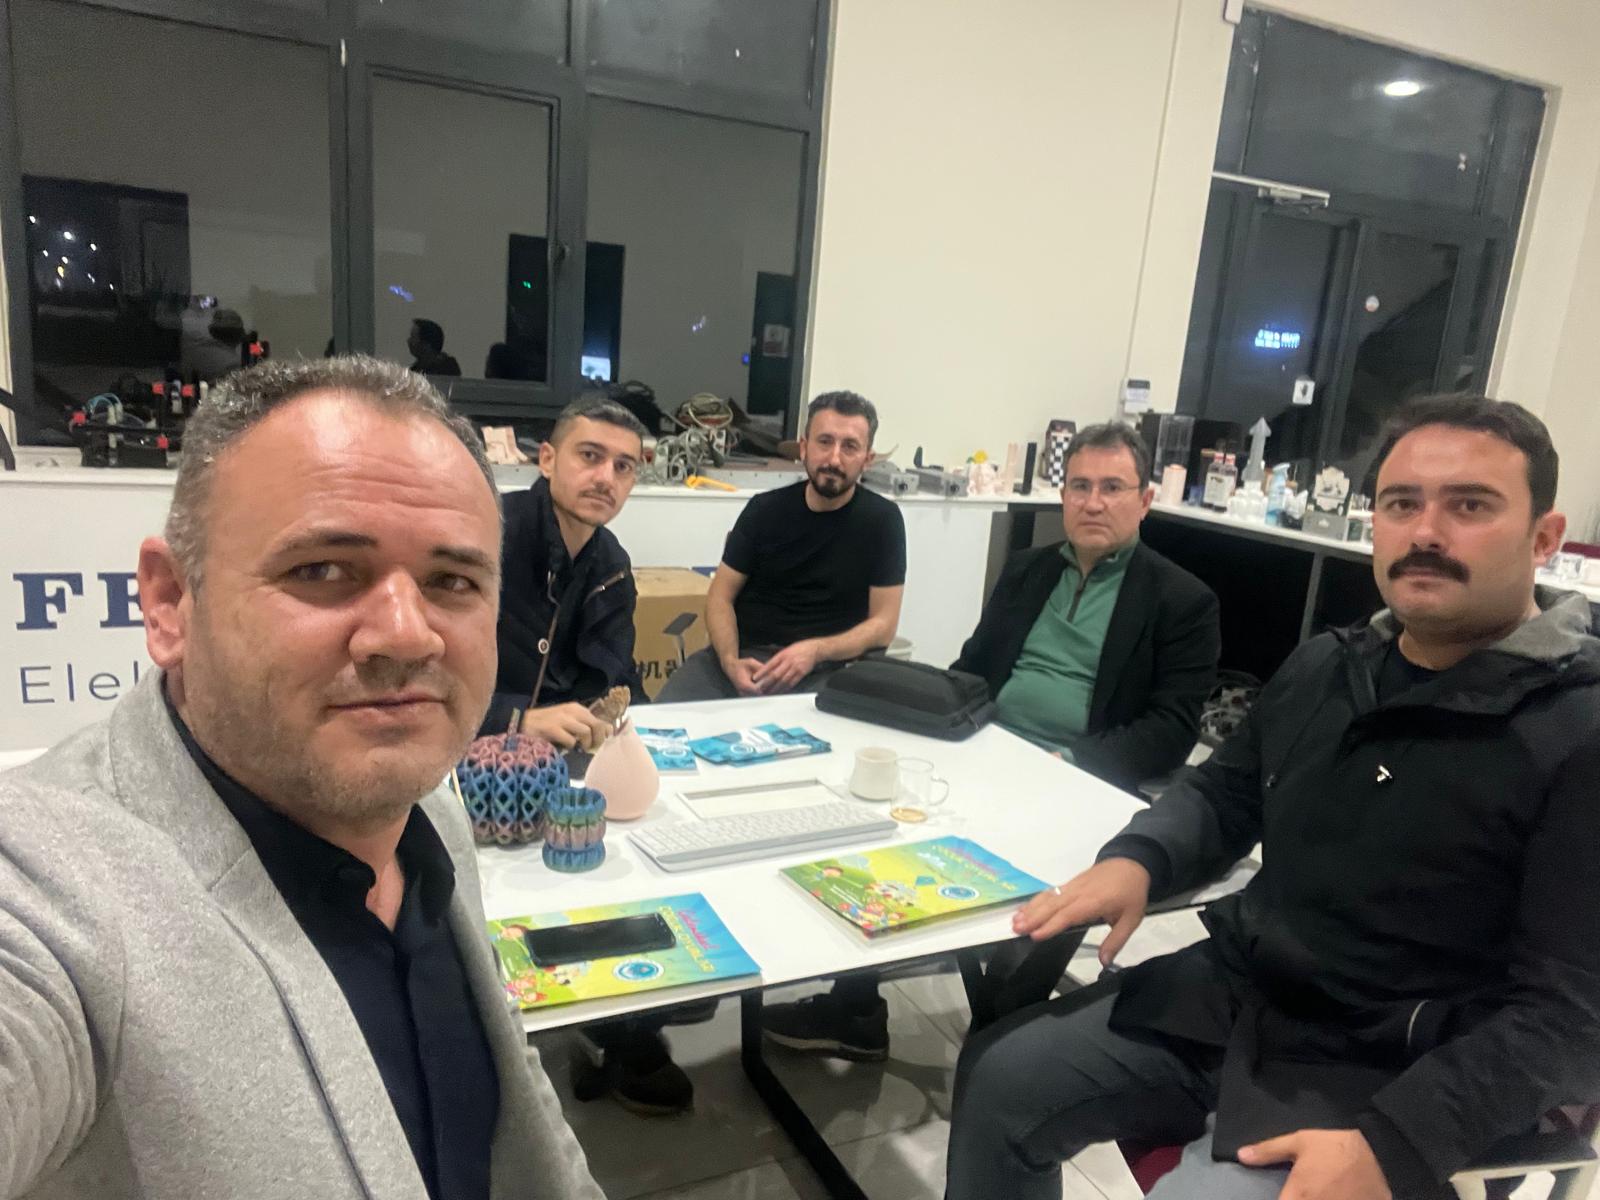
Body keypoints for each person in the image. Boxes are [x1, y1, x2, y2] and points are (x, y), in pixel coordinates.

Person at [945, 394, 1600, 1200]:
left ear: (1544, 537)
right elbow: (1222, 794)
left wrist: (1398, 1142)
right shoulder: (1329, 668)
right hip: (1245, 997)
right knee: (999, 1075)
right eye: (1402, 504)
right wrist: (1139, 860)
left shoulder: (1577, 730)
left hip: (1400, 1071)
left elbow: (1574, 1016)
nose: (1427, 532)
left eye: (1470, 506)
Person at [0, 356, 600, 1198]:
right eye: (322, 570)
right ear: (170, 604)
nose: (406, 634)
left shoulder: (430, 815)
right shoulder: (51, 884)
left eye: (452, 581)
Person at [762, 422, 1220, 1061]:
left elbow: (1171, 729)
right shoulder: (1029, 570)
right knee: (877, 827)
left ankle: (999, 1047)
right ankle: (857, 1005)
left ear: (1145, 500)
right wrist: (938, 727)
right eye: (1080, 486)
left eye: (1112, 488)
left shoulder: (1182, 600)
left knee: (1002, 889)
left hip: (1077, 777)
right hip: (988, 749)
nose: (1093, 502)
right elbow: (973, 668)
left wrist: (1069, 762)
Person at [656, 389, 906, 701]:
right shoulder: (764, 510)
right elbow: (720, 597)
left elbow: (884, 624)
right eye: (824, 441)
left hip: (831, 668)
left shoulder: (882, 521)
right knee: (661, 723)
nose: (834, 459)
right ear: (804, 447)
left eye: (850, 447)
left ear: (867, 459)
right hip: (745, 659)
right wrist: (730, 661)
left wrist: (815, 651)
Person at [484, 395, 647, 748]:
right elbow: (424, 674)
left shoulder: (613, 565)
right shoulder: (488, 536)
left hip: (571, 752)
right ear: (547, 459)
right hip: (479, 753)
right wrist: (516, 718)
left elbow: (621, 675)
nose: (606, 478)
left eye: (623, 466)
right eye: (590, 456)